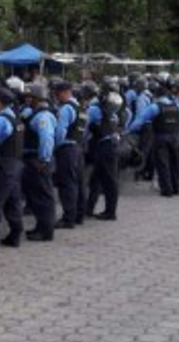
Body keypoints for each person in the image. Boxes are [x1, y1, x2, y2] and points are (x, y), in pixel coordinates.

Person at [128, 83, 179, 197]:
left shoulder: (155, 107)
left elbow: (140, 120)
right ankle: (176, 188)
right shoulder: (176, 105)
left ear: (156, 95)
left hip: (161, 137)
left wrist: (129, 130)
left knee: (163, 163)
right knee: (175, 162)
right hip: (175, 137)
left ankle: (167, 190)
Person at [0, 88, 26, 247]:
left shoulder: (0, 119)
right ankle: (15, 234)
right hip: (16, 164)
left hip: (3, 165)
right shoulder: (16, 117)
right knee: (13, 201)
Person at [20, 84, 58, 242]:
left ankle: (46, 230)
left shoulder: (43, 116)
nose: (28, 100)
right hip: (32, 159)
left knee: (43, 196)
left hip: (38, 160)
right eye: (27, 97)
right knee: (35, 196)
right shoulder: (33, 113)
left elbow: (46, 139)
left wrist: (44, 159)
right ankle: (40, 226)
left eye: (31, 97)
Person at [52, 81, 86, 229]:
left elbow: (60, 131)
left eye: (58, 94)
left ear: (66, 92)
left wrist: (55, 146)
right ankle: (79, 215)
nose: (56, 97)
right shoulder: (81, 108)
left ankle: (68, 218)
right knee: (79, 182)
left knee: (67, 184)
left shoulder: (66, 108)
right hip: (78, 147)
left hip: (67, 149)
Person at [84, 87, 123, 220]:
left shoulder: (94, 110)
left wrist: (82, 142)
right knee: (96, 179)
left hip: (104, 148)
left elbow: (85, 127)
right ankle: (89, 208)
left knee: (109, 181)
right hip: (111, 147)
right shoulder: (114, 116)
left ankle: (110, 212)